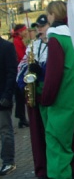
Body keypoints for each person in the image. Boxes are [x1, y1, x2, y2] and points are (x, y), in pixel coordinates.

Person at [40, 1, 74, 179]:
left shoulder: (56, 38)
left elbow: (54, 74)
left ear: (52, 15)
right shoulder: (73, 36)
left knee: (57, 144)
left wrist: (45, 98)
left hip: (63, 99)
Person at [16, 14, 50, 179]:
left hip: (51, 98)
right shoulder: (33, 46)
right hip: (35, 99)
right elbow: (21, 66)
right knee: (38, 137)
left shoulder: (56, 44)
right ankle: (42, 170)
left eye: (43, 26)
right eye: (38, 27)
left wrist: (41, 72)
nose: (40, 30)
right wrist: (28, 72)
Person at [0, 36, 17, 176]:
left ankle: (8, 161)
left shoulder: (6, 47)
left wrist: (7, 95)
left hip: (2, 97)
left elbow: (12, 72)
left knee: (5, 131)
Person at [11, 24, 29, 128]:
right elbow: (21, 56)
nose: (26, 32)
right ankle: (21, 118)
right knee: (20, 96)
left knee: (20, 97)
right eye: (24, 30)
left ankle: (21, 117)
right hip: (19, 71)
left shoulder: (18, 40)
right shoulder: (17, 42)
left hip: (19, 70)